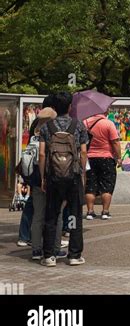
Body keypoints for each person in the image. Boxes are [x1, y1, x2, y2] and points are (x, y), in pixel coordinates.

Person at [39, 91, 88, 267]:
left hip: (53, 177)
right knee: (74, 215)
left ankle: (49, 256)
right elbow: (83, 152)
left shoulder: (46, 127)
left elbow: (42, 154)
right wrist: (82, 173)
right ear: (69, 107)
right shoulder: (79, 126)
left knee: (51, 215)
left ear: (54, 107)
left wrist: (43, 177)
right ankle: (74, 255)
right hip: (73, 176)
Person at [29, 103, 67, 261]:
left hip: (36, 180)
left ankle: (36, 250)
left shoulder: (33, 134)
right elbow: (43, 156)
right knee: (57, 215)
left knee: (38, 215)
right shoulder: (54, 134)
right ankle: (55, 249)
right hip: (52, 178)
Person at [84, 111, 121, 220]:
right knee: (107, 184)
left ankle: (90, 211)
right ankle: (105, 211)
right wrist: (119, 157)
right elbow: (115, 142)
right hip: (106, 157)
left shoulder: (85, 123)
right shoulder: (108, 124)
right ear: (105, 112)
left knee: (90, 185)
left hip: (89, 157)